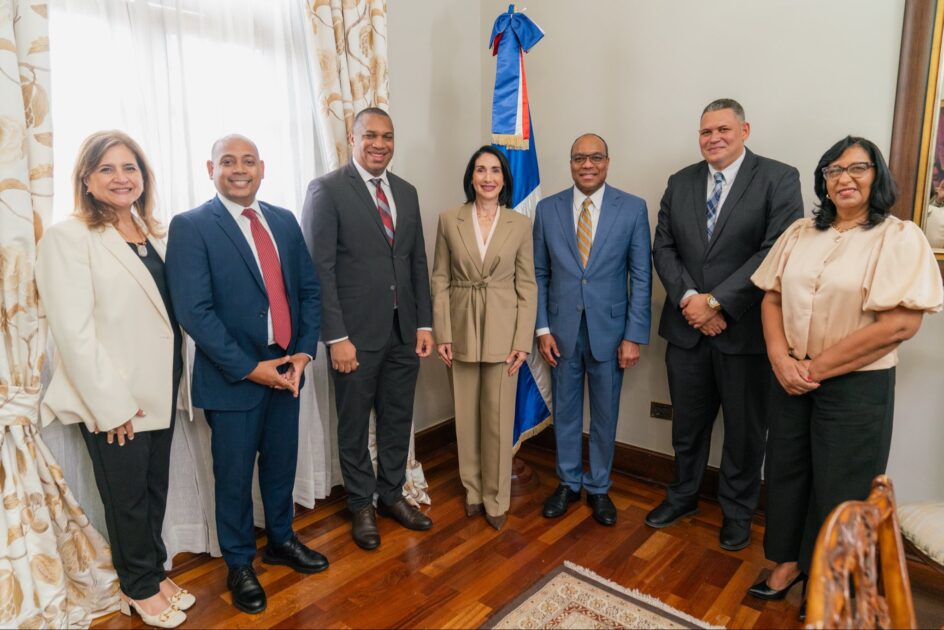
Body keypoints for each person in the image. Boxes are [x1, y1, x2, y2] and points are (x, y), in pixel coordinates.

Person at [747, 136, 942, 609]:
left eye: (857, 168)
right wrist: (780, 359)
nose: (844, 178)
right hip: (791, 376)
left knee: (841, 486)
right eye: (833, 170)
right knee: (787, 472)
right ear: (824, 181)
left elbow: (900, 324)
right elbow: (771, 297)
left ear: (877, 176)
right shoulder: (800, 232)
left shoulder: (898, 237)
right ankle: (787, 564)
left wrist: (814, 368)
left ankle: (828, 580)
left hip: (856, 384)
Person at [35, 131, 193, 628]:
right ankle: (138, 587)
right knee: (126, 497)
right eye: (107, 168)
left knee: (153, 488)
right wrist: (110, 404)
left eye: (130, 168)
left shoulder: (154, 235)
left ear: (143, 177)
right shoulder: (69, 237)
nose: (121, 178)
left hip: (162, 386)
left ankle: (153, 570)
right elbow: (72, 332)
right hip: (113, 396)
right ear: (86, 179)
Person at [165, 134, 326, 615]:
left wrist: (302, 355)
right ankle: (239, 563)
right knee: (233, 478)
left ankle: (281, 539)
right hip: (233, 378)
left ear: (262, 168)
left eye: (248, 161)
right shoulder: (192, 226)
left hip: (288, 370)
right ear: (210, 169)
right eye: (229, 162)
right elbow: (193, 312)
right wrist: (251, 369)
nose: (240, 169)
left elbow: (308, 291)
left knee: (281, 465)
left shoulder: (283, 220)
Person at [650, 98, 803, 551]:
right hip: (686, 331)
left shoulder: (778, 178)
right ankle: (683, 497)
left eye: (723, 130)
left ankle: (737, 512)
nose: (713, 138)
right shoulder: (680, 182)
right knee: (687, 427)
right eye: (706, 131)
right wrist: (691, 301)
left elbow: (776, 250)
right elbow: (664, 247)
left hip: (747, 334)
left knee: (744, 432)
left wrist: (717, 303)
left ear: (744, 131)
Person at [301, 107, 434, 550]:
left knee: (397, 419)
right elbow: (319, 270)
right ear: (352, 139)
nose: (380, 144)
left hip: (403, 332)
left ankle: (392, 494)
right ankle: (361, 504)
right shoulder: (327, 190)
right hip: (353, 338)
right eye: (370, 136)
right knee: (355, 425)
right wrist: (336, 337)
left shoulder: (407, 192)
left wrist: (424, 324)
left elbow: (416, 262)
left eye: (387, 136)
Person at [533, 133, 652, 526]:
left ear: (607, 162)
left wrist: (633, 335)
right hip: (560, 332)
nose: (587, 164)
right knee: (566, 412)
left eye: (595, 157)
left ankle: (599, 487)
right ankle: (568, 482)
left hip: (612, 333)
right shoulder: (547, 209)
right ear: (570, 164)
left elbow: (641, 276)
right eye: (579, 158)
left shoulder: (632, 208)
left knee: (605, 414)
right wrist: (542, 328)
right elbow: (539, 273)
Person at [430, 146, 537, 531]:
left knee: (497, 418)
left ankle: (496, 497)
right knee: (466, 417)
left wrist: (522, 341)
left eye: (495, 170)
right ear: (471, 177)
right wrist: (442, 332)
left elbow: (528, 285)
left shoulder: (520, 224)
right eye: (480, 170)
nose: (488, 177)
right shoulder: (448, 219)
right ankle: (473, 491)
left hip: (504, 333)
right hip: (459, 328)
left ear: (504, 179)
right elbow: (440, 279)